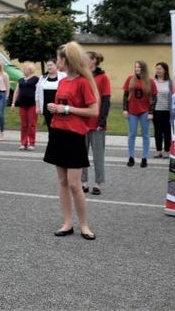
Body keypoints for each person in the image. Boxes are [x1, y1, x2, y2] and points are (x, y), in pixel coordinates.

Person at [44, 42, 99, 240]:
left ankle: (84, 225)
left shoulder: (83, 82)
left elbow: (94, 111)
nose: (56, 61)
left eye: (59, 58)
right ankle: (67, 223)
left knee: (75, 183)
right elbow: (62, 106)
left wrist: (66, 109)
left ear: (66, 60)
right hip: (58, 133)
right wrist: (54, 107)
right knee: (62, 182)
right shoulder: (62, 81)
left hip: (74, 136)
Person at [81, 52, 112, 196]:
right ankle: (83, 182)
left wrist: (102, 120)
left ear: (93, 60)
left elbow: (106, 100)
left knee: (98, 155)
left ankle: (98, 183)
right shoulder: (81, 76)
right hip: (82, 121)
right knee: (81, 155)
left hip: (97, 122)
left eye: (86, 59)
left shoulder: (103, 77)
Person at [122, 60, 157, 167]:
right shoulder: (130, 79)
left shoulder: (150, 81)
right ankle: (131, 157)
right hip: (132, 111)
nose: (137, 69)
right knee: (131, 134)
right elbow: (125, 95)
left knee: (146, 135)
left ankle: (144, 158)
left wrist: (151, 112)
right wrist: (125, 109)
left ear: (143, 69)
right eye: (136, 67)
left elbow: (154, 98)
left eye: (139, 67)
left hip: (145, 111)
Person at [11, 62, 39, 150]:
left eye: (25, 68)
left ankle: (32, 143)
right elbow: (16, 92)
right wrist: (13, 103)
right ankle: (23, 143)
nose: (24, 70)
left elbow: (38, 92)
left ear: (30, 70)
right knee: (24, 125)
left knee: (31, 124)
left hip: (32, 105)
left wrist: (39, 105)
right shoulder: (21, 80)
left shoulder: (36, 79)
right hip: (22, 105)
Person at [152, 61, 172, 158]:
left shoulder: (170, 82)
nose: (158, 71)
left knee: (167, 131)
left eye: (160, 69)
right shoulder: (153, 82)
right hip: (156, 110)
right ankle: (158, 150)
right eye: (157, 69)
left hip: (167, 110)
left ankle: (167, 150)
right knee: (157, 131)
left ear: (165, 70)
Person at [36, 59, 63, 130]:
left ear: (56, 65)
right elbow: (37, 93)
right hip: (46, 107)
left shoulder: (63, 76)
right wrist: (38, 107)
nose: (49, 67)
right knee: (50, 127)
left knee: (58, 128)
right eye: (47, 65)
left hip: (58, 107)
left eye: (51, 65)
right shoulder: (42, 77)